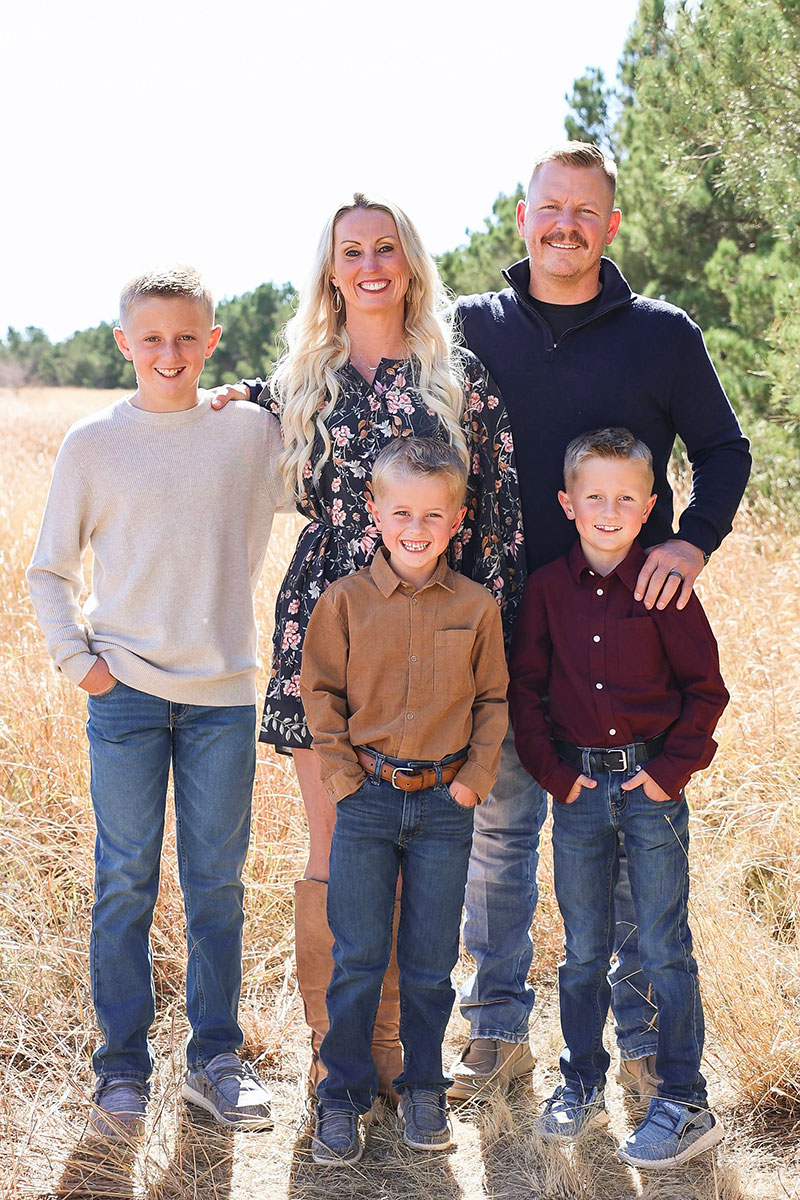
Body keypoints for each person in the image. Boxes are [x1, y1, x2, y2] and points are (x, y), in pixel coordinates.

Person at [449, 141, 751, 1101]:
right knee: (501, 840)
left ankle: (645, 1041)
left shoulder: (661, 335)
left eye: (585, 211)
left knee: (627, 854)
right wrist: (250, 395)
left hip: (629, 648)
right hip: (500, 633)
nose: (565, 225)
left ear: (611, 225)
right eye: (551, 207)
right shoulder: (468, 328)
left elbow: (724, 448)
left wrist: (691, 543)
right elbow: (370, 383)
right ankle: (497, 1029)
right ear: (524, 216)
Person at [211, 193, 525, 1101]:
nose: (370, 264)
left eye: (386, 248)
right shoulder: (302, 379)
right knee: (337, 845)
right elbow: (238, 417)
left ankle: (395, 1059)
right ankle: (336, 1060)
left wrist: (485, 647)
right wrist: (227, 396)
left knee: (413, 851)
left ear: (410, 263)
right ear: (331, 270)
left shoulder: (454, 377)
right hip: (326, 623)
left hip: (430, 635)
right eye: (351, 251)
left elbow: (497, 519)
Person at [27, 267, 285, 1138]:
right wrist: (82, 665)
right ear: (123, 344)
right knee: (125, 878)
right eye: (151, 338)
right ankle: (122, 1072)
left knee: (216, 883)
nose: (169, 353)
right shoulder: (94, 444)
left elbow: (327, 465)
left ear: (213, 341)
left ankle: (215, 1060)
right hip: (126, 694)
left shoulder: (249, 433)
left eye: (186, 337)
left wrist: (264, 394)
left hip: (223, 696)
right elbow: (49, 570)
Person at [508, 427, 728, 1169]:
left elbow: (706, 689)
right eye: (595, 497)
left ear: (650, 507)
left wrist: (670, 772)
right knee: (582, 949)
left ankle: (684, 1097)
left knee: (664, 944)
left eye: (626, 499)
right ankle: (580, 1079)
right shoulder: (546, 589)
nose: (610, 511)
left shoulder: (664, 587)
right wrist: (552, 773)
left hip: (650, 790)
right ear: (567, 503)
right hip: (576, 790)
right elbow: (525, 690)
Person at [299, 437, 508, 1164]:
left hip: (445, 805)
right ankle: (341, 1093)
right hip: (368, 800)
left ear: (457, 520)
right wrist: (342, 779)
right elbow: (320, 693)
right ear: (375, 512)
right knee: (358, 955)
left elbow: (492, 699)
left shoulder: (476, 607)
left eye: (432, 515)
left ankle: (423, 1085)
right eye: (401, 513)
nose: (416, 529)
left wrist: (473, 778)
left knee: (428, 959)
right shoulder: (345, 602)